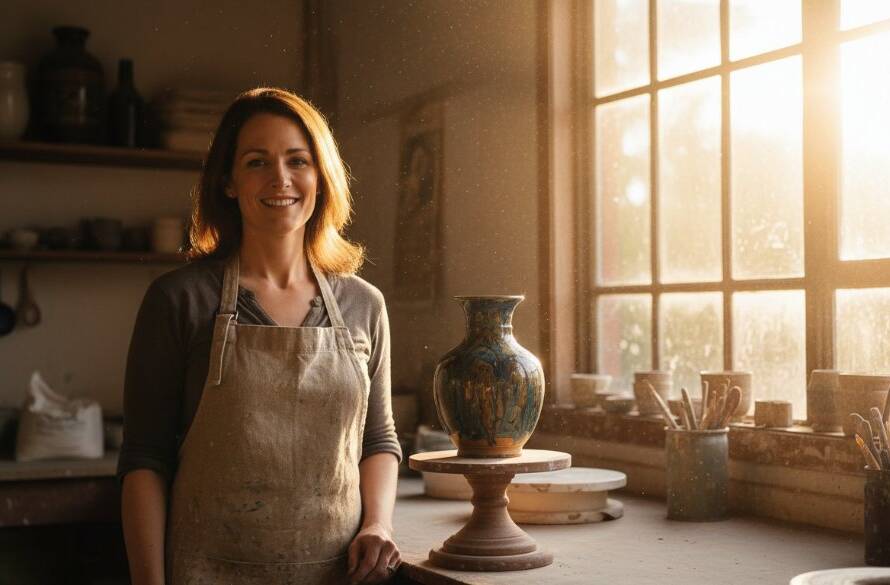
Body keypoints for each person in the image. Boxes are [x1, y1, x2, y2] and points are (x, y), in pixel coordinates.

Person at [118, 87, 402, 585]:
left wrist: (378, 523)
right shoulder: (179, 300)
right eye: (256, 162)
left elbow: (378, 440)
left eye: (299, 160)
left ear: (321, 177)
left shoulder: (364, 304)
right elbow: (145, 458)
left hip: (336, 574)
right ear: (227, 182)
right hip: (208, 571)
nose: (281, 179)